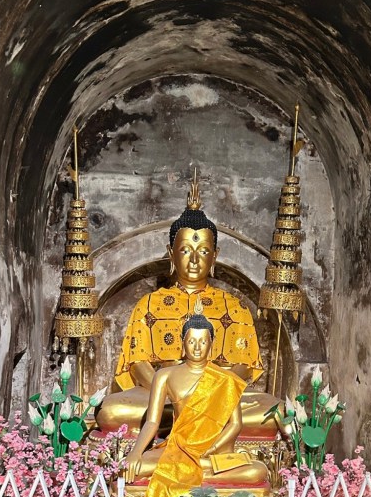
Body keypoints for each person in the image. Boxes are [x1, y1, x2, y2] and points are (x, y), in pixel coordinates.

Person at [95, 181, 278, 435]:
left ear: (215, 256)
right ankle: (189, 423)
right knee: (110, 411)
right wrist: (171, 393)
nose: (194, 260)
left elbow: (244, 366)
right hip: (163, 397)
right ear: (171, 253)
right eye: (185, 250)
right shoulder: (149, 304)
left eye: (203, 251)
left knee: (275, 412)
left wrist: (211, 394)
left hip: (218, 397)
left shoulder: (234, 307)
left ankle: (189, 424)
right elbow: (137, 364)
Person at [124, 312, 269, 497]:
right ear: (183, 344)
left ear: (212, 345)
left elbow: (235, 424)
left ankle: (192, 472)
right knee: (135, 468)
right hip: (179, 449)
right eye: (192, 341)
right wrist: (135, 453)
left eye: (203, 341)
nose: (197, 347)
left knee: (257, 471)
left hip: (213, 453)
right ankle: (199, 472)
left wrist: (211, 449)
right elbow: (152, 421)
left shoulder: (226, 379)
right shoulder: (164, 376)